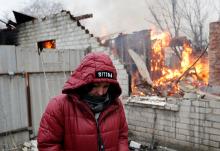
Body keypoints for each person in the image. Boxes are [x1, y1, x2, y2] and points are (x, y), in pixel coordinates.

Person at [37, 52, 129, 151]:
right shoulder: (59, 106)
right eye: (95, 86)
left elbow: (122, 137)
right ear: (84, 83)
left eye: (106, 86)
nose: (101, 92)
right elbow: (48, 145)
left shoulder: (116, 104)